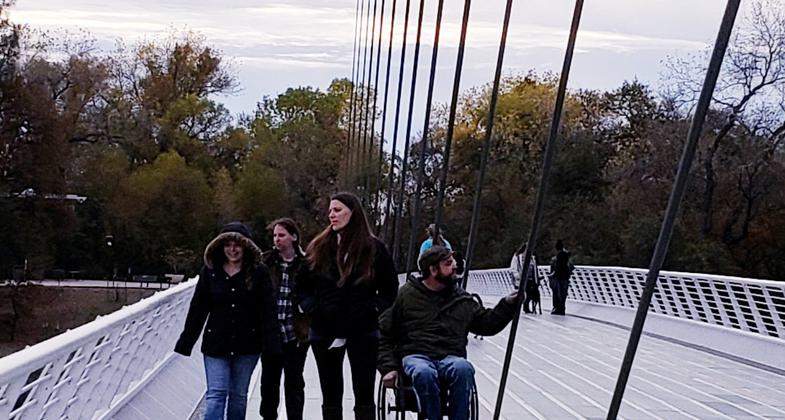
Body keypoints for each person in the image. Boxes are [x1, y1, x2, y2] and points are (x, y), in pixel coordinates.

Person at [378, 246, 518, 420]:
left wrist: (508, 305)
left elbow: (486, 324)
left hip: (450, 355)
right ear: (433, 270)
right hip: (416, 354)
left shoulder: (461, 299)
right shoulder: (407, 296)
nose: (455, 267)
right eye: (448, 263)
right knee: (423, 372)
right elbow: (385, 332)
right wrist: (388, 368)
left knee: (463, 369)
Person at [297, 192, 399, 420]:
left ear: (353, 213)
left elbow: (390, 289)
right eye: (330, 211)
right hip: (325, 330)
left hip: (362, 330)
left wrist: (373, 309)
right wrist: (314, 308)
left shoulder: (374, 249)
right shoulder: (319, 247)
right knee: (330, 393)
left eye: (338, 210)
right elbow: (301, 284)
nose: (332, 215)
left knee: (364, 392)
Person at [174, 222, 280, 420]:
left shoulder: (259, 273)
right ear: (220, 247)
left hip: (247, 345)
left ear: (246, 246)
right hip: (216, 344)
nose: (232, 249)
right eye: (227, 245)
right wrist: (186, 341)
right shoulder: (210, 272)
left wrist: (272, 345)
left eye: (237, 245)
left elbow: (267, 311)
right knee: (216, 395)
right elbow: (199, 308)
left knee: (238, 397)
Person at [259, 218, 310, 420]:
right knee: (269, 382)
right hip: (271, 333)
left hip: (296, 333)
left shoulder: (306, 265)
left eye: (281, 235)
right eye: (275, 236)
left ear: (294, 237)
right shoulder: (266, 263)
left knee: (294, 381)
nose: (277, 240)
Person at [510, 242, 541, 314]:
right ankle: (519, 307)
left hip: (530, 279)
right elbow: (513, 268)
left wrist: (536, 278)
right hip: (521, 279)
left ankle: (526, 307)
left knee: (529, 293)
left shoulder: (532, 258)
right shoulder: (517, 257)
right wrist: (517, 275)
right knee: (522, 293)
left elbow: (534, 269)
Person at [549, 239, 575, 315]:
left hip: (558, 278)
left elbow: (557, 268)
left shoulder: (557, 257)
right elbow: (571, 266)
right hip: (565, 278)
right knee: (563, 294)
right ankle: (562, 308)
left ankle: (557, 308)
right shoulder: (566, 256)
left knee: (557, 293)